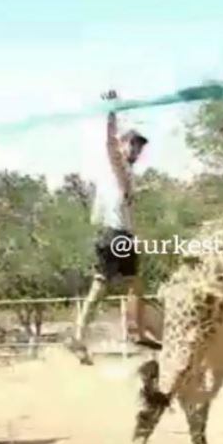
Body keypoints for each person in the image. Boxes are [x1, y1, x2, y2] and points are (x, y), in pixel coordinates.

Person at [69, 90, 162, 365]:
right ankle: (130, 332)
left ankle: (87, 335)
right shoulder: (116, 165)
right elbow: (109, 143)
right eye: (132, 144)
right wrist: (111, 111)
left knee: (121, 285)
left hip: (119, 236)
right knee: (116, 285)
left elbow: (126, 209)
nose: (135, 150)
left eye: (139, 146)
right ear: (123, 145)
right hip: (114, 236)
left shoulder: (127, 175)